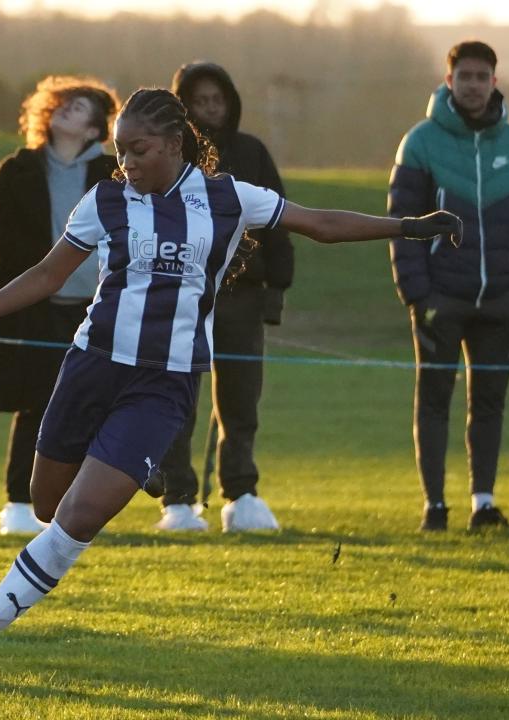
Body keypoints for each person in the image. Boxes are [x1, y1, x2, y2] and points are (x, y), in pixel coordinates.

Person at [0, 88, 461, 676]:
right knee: (47, 505)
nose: (126, 163)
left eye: (139, 149)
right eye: (120, 150)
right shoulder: (105, 200)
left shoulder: (228, 198)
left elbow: (320, 223)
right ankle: (139, 466)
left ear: (175, 144)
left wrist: (409, 226)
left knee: (78, 519)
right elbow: (48, 276)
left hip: (165, 383)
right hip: (90, 368)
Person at [389, 40, 509, 532]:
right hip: (440, 300)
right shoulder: (419, 142)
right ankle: (435, 507)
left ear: (495, 82)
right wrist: (418, 295)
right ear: (448, 80)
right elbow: (402, 225)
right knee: (434, 400)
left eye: (482, 77)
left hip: (502, 302)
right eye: (465, 76)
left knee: (489, 404)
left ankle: (483, 504)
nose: (473, 85)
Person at [154, 61, 295, 533]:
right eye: (201, 101)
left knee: (240, 400)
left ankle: (242, 492)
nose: (211, 109)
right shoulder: (169, 157)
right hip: (184, 293)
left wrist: (276, 287)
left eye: (218, 100)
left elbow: (278, 222)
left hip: (243, 295)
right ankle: (178, 500)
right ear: (183, 107)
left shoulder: (252, 153)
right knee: (179, 397)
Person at [0, 76, 119, 535]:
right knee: (35, 403)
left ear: (95, 128)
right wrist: (46, 272)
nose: (66, 110)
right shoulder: (17, 169)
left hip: (99, 309)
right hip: (36, 308)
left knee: (92, 404)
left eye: (79, 108)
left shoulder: (114, 176)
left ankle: (76, 505)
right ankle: (19, 504)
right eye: (62, 103)